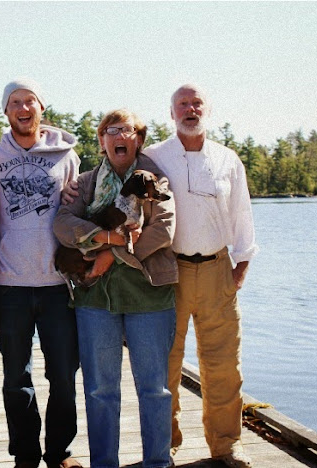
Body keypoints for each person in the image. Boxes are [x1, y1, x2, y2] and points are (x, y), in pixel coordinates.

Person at [143, 84, 259, 468]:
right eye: (182, 104)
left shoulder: (228, 159)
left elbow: (241, 214)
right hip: (168, 270)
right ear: (171, 112)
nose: (190, 110)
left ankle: (226, 444)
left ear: (208, 110)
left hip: (216, 269)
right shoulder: (154, 156)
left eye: (197, 104)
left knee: (223, 362)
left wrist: (240, 263)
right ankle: (166, 445)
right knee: (166, 362)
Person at [54, 109, 177, 468]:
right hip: (95, 299)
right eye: (110, 131)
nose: (118, 136)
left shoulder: (156, 180)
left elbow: (164, 230)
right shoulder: (86, 183)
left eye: (127, 130)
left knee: (154, 389)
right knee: (100, 391)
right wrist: (106, 238)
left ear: (138, 140)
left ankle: (157, 463)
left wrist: (111, 254)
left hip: (149, 296)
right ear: (102, 141)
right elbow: (62, 224)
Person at [0, 78, 82, 468]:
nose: (23, 109)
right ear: (6, 112)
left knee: (63, 376)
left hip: (58, 285)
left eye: (30, 101)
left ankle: (59, 453)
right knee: (15, 378)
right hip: (9, 286)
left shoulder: (67, 156)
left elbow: (77, 210)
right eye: (15, 103)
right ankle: (25, 455)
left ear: (42, 107)